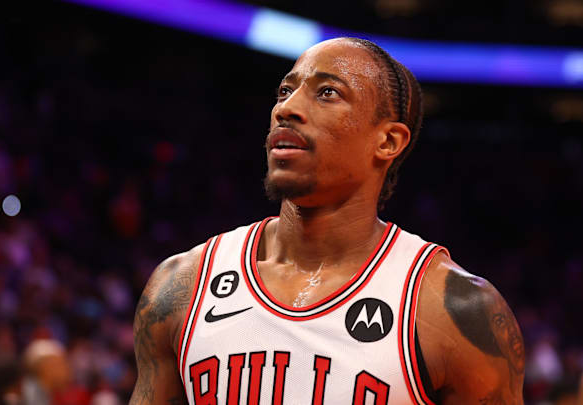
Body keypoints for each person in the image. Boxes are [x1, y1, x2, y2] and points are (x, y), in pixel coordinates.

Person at [130, 37, 525, 405]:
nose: (287, 108)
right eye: (285, 91)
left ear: (387, 141)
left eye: (327, 93)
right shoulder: (182, 285)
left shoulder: (454, 309)